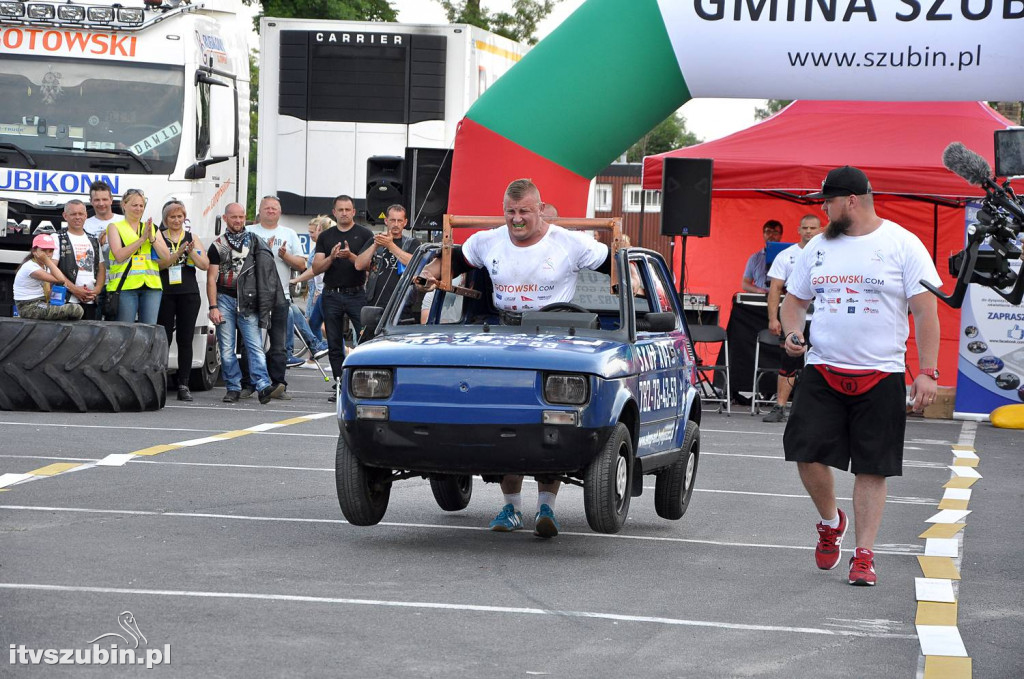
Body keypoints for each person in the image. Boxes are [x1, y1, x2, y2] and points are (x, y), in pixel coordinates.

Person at [419, 178, 609, 538]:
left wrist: (631, 276)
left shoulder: (570, 243)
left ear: (540, 209)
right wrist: (430, 273)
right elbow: (452, 260)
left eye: (524, 211)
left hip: (556, 336)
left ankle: (546, 510)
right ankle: (511, 508)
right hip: (504, 332)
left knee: (550, 424)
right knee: (510, 419)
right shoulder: (487, 240)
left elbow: (612, 264)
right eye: (510, 212)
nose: (517, 219)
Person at [780, 166, 941, 587]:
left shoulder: (902, 244)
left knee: (873, 468)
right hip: (822, 368)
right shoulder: (817, 247)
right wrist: (795, 332)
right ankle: (831, 521)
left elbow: (926, 311)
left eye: (828, 202)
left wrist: (926, 372)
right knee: (805, 453)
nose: (823, 210)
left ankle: (864, 554)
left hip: (882, 372)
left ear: (850, 200)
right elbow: (794, 301)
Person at [207, 203, 283, 405]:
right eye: (234, 217)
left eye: (241, 217)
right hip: (224, 298)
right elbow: (211, 279)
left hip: (248, 300)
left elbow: (266, 274)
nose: (239, 221)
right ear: (225, 218)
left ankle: (263, 386)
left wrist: (265, 301)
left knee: (255, 345)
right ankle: (233, 387)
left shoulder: (255, 241)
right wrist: (212, 306)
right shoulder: (218, 245)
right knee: (226, 347)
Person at [312, 195, 374, 402]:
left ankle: (366, 383)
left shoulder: (365, 234)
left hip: (356, 293)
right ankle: (339, 384)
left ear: (354, 212)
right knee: (334, 342)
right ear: (334, 212)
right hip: (332, 294)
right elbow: (316, 268)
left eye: (348, 209)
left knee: (366, 339)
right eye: (341, 210)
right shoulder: (326, 236)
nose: (344, 213)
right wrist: (331, 257)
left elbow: (369, 266)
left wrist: (350, 257)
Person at [761, 214, 823, 422]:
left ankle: (816, 409)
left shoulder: (829, 253)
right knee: (789, 361)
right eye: (805, 228)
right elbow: (776, 289)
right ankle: (779, 407)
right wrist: (773, 318)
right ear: (798, 230)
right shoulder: (786, 256)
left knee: (821, 363)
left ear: (820, 229)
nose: (808, 232)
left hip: (823, 318)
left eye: (813, 228)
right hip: (795, 317)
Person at [247, 196, 304, 399]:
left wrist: (284, 256)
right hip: (252, 296)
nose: (271, 211)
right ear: (259, 211)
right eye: (267, 208)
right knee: (250, 342)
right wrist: (262, 250)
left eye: (275, 208)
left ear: (280, 212)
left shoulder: (289, 233)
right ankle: (248, 384)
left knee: (278, 343)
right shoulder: (249, 232)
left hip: (281, 296)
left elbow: (302, 265)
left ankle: (278, 383)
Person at [156, 200, 209, 402]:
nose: (176, 220)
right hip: (165, 292)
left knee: (185, 339)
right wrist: (176, 253)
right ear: (165, 219)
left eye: (180, 217)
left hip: (188, 293)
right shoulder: (159, 237)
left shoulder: (191, 238)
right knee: (164, 338)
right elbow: (158, 264)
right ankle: (160, 380)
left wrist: (191, 252)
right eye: (172, 217)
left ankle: (183, 384)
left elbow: (204, 265)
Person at [106, 188, 171, 324]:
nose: (138, 208)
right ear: (124, 205)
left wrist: (152, 239)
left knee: (149, 329)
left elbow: (166, 257)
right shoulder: (114, 227)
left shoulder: (151, 227)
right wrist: (142, 239)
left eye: (141, 205)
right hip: (125, 286)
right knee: (125, 330)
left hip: (151, 286)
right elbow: (119, 255)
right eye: (134, 205)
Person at [355, 204, 422, 323]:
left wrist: (390, 245)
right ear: (386, 221)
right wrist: (375, 245)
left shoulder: (412, 243)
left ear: (405, 222)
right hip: (375, 304)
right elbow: (358, 265)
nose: (396, 224)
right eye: (392, 220)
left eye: (399, 220)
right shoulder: (375, 240)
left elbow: (413, 263)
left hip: (402, 305)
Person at [290, 215, 333, 362]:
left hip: (322, 292)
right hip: (319, 291)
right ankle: (313, 357)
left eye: (313, 231)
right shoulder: (321, 248)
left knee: (319, 326)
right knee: (313, 324)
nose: (310, 235)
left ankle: (342, 349)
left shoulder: (323, 249)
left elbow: (317, 271)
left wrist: (318, 290)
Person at [13, 234, 85, 321]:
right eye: (44, 251)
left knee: (72, 308)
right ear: (34, 251)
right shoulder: (30, 267)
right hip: (29, 306)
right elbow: (61, 279)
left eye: (51, 251)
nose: (47, 254)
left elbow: (56, 285)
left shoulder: (44, 267)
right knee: (76, 309)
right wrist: (47, 260)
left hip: (41, 302)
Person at [55, 200, 105, 320]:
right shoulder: (57, 238)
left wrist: (96, 291)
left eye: (81, 214)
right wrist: (75, 290)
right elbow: (53, 269)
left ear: (86, 215)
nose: (77, 217)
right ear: (65, 216)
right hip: (66, 300)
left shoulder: (93, 240)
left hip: (90, 301)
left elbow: (101, 268)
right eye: (73, 214)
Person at [83, 180, 120, 319]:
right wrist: (96, 244)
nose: (101, 203)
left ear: (111, 200)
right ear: (91, 201)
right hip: (94, 284)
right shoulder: (85, 224)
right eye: (97, 199)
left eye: (105, 199)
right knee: (93, 327)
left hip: (118, 283)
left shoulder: (124, 221)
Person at [741, 219, 784, 294]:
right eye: (768, 232)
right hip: (760, 299)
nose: (771, 235)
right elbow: (745, 284)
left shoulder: (788, 257)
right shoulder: (755, 258)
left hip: (782, 300)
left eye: (775, 232)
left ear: (780, 235)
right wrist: (759, 291)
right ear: (763, 235)